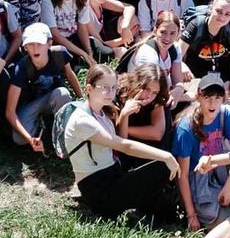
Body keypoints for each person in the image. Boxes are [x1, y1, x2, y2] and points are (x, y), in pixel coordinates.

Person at [63, 66, 179, 220]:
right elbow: (125, 146)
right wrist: (166, 156)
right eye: (104, 88)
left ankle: (159, 210)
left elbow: (123, 146)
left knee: (167, 211)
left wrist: (124, 115)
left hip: (112, 176)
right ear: (89, 89)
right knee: (162, 167)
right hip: (99, 190)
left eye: (113, 88)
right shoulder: (83, 120)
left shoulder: (102, 113)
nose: (110, 93)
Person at [172, 73, 230, 231]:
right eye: (207, 97)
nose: (212, 103)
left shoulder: (224, 114)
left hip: (221, 170)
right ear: (198, 97)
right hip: (199, 180)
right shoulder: (186, 128)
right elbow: (183, 175)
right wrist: (191, 215)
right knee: (224, 223)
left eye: (217, 97)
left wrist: (229, 186)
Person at [4, 22, 82, 155]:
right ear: (25, 47)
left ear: (49, 43)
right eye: (30, 44)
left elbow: (69, 74)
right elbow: (10, 111)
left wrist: (81, 99)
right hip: (32, 104)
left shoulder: (59, 54)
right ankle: (43, 127)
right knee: (19, 139)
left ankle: (63, 134)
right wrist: (29, 139)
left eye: (39, 44)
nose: (35, 49)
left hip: (55, 98)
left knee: (62, 93)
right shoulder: (21, 68)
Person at [182, 0, 230, 92]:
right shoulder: (196, 25)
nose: (222, 17)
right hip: (196, 76)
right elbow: (178, 53)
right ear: (211, 9)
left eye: (227, 14)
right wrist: (183, 66)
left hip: (223, 75)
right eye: (219, 11)